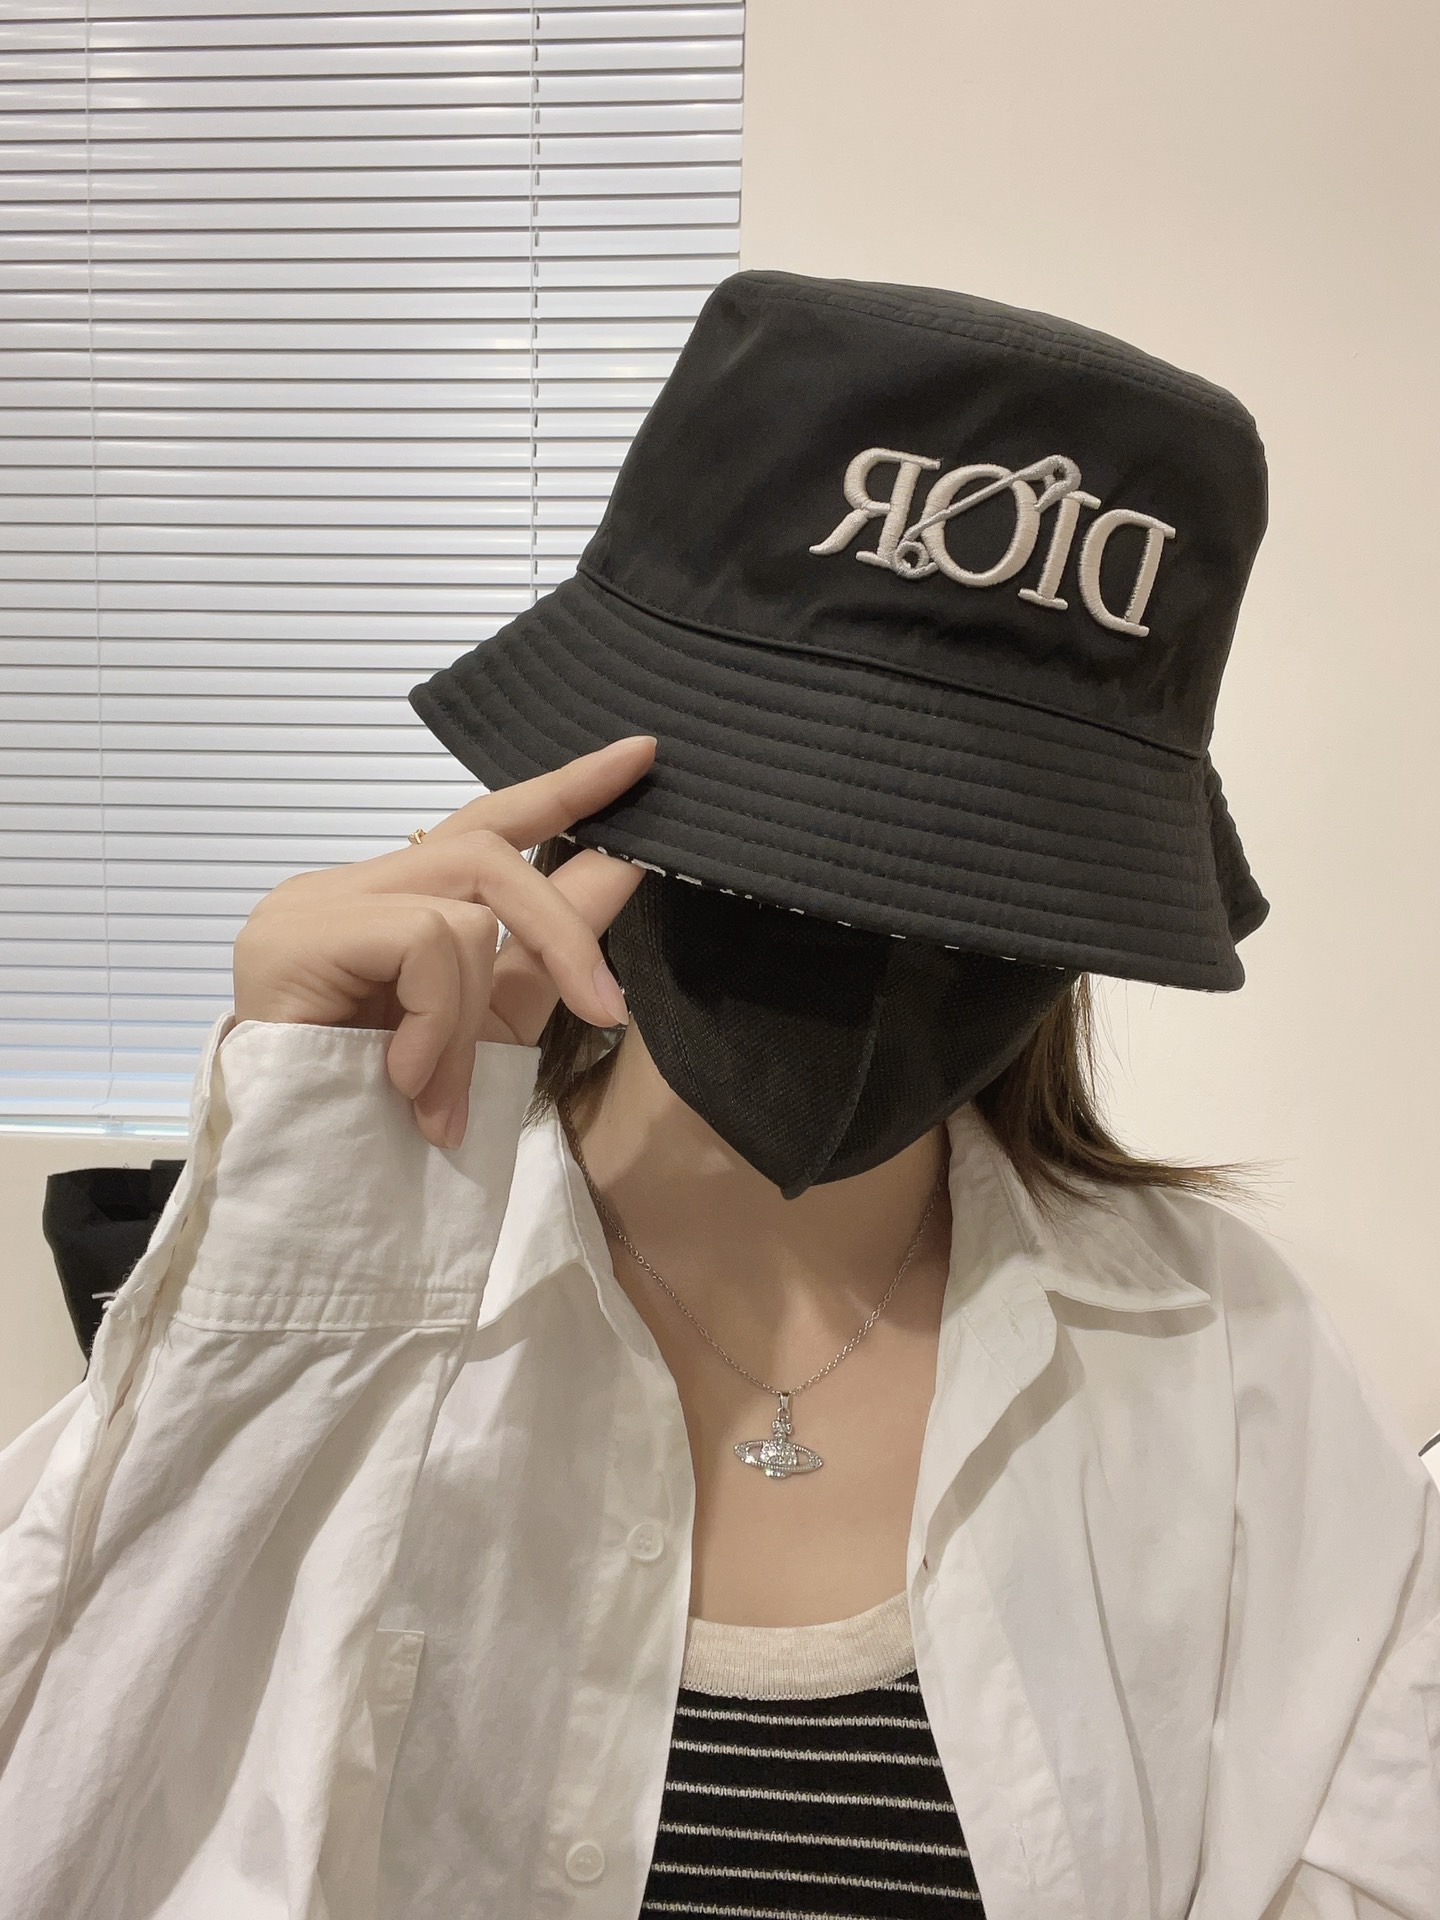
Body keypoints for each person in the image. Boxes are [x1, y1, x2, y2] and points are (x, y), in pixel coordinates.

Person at [1, 271, 1437, 1920]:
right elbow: (62, 1826)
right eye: (798, 822)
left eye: (976, 867)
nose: (872, 930)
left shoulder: (1224, 1356)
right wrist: (306, 1214)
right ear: (592, 783)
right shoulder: (359, 1281)